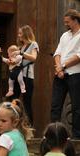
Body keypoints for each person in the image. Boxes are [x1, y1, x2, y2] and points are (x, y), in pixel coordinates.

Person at [51, 9, 80, 139]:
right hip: (60, 74)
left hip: (75, 74)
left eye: (67, 22)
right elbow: (57, 53)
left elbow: (78, 56)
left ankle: (76, 136)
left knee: (77, 107)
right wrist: (59, 69)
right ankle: (53, 134)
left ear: (75, 20)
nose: (66, 24)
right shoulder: (64, 35)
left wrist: (62, 66)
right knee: (55, 106)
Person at [13, 25, 39, 126]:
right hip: (18, 76)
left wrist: (21, 53)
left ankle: (29, 127)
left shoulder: (33, 44)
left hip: (27, 77)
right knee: (14, 101)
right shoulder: (21, 46)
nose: (19, 35)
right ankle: (15, 125)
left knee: (27, 102)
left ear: (26, 33)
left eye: (20, 33)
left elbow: (34, 58)